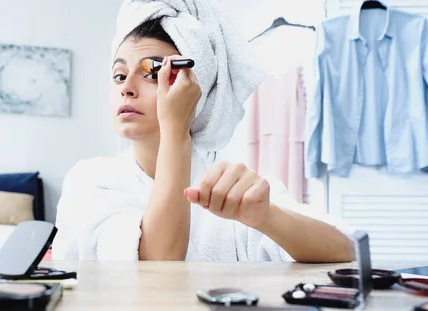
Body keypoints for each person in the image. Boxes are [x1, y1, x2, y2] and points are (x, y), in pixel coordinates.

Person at [52, 5, 354, 262]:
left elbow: (346, 250)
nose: (126, 87)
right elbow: (158, 265)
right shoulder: (91, 181)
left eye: (153, 73)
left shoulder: (231, 187)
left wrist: (266, 218)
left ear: (196, 91)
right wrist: (175, 131)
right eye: (119, 75)